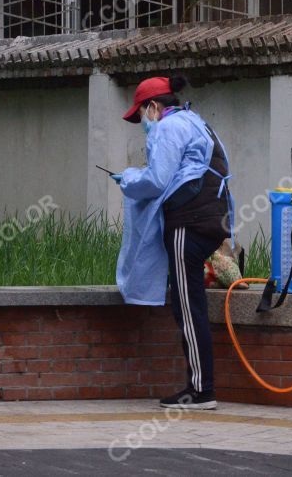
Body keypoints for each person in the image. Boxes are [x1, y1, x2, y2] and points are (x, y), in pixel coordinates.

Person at [114, 76, 233, 410]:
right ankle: (200, 385)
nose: (143, 125)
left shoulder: (167, 127)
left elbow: (157, 179)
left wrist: (129, 179)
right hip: (212, 219)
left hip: (188, 223)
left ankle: (200, 389)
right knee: (189, 303)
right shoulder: (195, 121)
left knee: (187, 307)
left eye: (141, 116)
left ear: (153, 107)